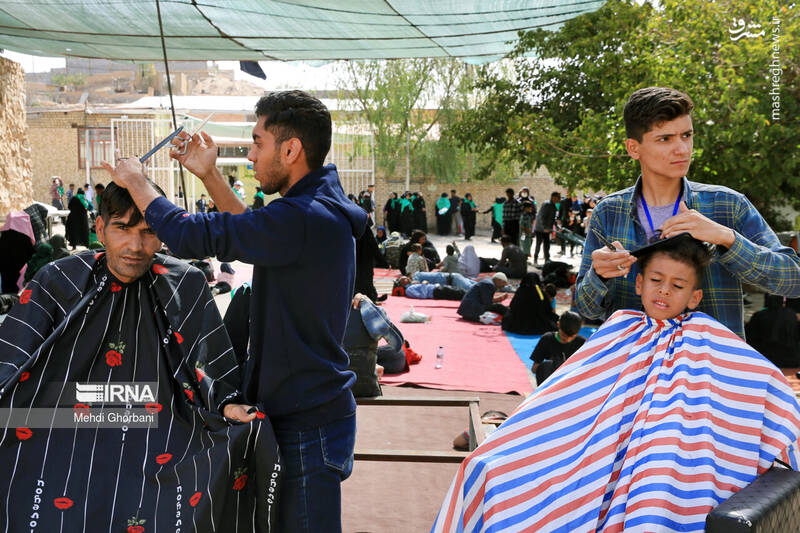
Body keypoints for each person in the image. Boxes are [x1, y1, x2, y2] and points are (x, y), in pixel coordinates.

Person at [104, 90, 367, 533]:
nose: (250, 155)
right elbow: (252, 230)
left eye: (258, 143)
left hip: (307, 423)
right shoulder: (308, 214)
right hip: (304, 412)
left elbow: (191, 235)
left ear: (291, 150)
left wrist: (137, 183)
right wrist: (209, 175)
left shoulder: (305, 218)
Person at [434, 235, 800, 533]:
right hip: (598, 447)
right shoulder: (621, 326)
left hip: (666, 458)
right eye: (656, 280)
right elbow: (566, 392)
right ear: (639, 283)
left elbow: (766, 383)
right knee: (487, 469)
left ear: (695, 297)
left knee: (653, 497)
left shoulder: (708, 336)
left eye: (677, 285)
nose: (664, 291)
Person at [0, 182, 279, 530]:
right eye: (122, 228)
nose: (135, 246)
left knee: (242, 442)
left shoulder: (185, 283)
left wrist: (226, 404)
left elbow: (209, 366)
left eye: (148, 232)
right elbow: (11, 356)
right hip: (67, 417)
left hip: (161, 422)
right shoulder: (60, 280)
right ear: (100, 228)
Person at [574, 87, 800, 339]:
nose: (682, 149)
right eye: (665, 139)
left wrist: (727, 238)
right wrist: (598, 275)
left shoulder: (728, 205)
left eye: (686, 135)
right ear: (633, 148)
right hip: (633, 361)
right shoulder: (608, 212)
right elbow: (586, 308)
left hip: (711, 362)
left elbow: (794, 280)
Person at [529, 310, 585, 384]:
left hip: (571, 380)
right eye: (563, 335)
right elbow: (534, 368)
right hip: (551, 381)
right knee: (547, 365)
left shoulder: (581, 342)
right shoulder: (547, 339)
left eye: (571, 337)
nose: (567, 339)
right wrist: (553, 367)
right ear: (558, 325)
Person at [745, 294, 800, 368]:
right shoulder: (791, 315)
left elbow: (748, 336)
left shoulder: (759, 315)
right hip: (791, 360)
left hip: (765, 359)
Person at [533, 191, 560, 265]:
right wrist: (544, 227)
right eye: (558, 198)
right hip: (540, 228)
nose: (559, 199)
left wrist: (557, 227)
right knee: (538, 244)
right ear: (553, 197)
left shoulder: (553, 206)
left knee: (547, 244)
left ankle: (547, 259)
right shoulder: (547, 204)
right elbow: (542, 217)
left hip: (547, 229)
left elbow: (553, 219)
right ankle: (535, 258)